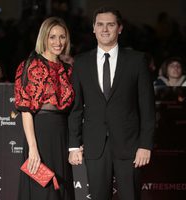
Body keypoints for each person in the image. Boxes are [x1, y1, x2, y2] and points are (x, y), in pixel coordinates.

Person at [68, 7, 155, 200]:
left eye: (110, 24)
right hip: (94, 145)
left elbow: (147, 108)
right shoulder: (81, 63)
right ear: (93, 28)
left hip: (130, 146)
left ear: (120, 28)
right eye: (100, 24)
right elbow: (76, 107)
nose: (105, 29)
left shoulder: (137, 60)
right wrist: (74, 145)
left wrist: (145, 145)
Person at [14, 17, 75, 200]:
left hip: (62, 137)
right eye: (52, 37)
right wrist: (33, 148)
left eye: (62, 37)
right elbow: (25, 110)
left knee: (61, 190)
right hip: (39, 136)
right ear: (44, 38)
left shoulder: (68, 70)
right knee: (42, 191)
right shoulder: (30, 66)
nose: (58, 42)